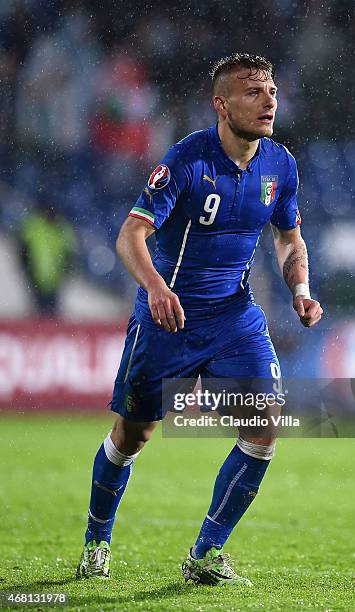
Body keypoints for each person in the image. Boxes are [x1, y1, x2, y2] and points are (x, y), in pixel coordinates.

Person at [76, 53, 323, 585]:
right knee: (132, 435)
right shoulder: (188, 160)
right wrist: (157, 288)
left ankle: (206, 553)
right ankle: (97, 540)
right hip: (170, 318)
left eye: (272, 91)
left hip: (235, 318)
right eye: (253, 92)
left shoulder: (280, 164)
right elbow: (130, 235)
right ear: (221, 104)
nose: (269, 101)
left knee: (264, 425)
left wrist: (300, 289)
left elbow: (288, 239)